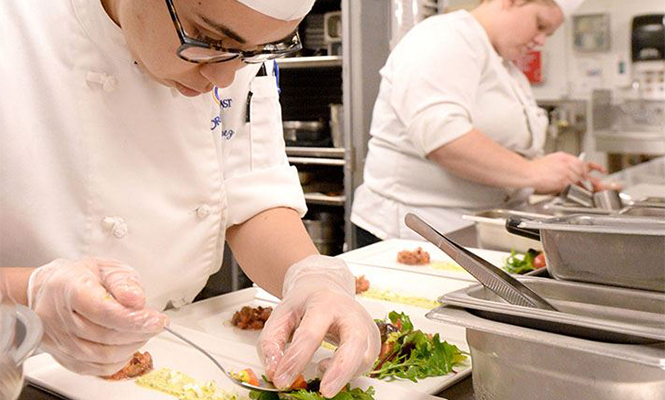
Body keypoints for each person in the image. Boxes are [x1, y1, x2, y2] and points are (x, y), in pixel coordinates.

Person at [0, 0, 380, 397]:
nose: (224, 78)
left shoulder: (236, 49)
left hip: (162, 358)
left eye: (255, 52)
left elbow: (251, 190)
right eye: (207, 38)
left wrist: (312, 279)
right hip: (20, 364)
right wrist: (23, 293)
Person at [352, 0, 606, 245]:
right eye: (540, 25)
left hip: (472, 231)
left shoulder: (509, 71)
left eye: (548, 34)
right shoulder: (443, 37)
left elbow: (509, 154)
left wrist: (559, 174)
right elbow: (442, 139)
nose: (541, 41)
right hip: (413, 233)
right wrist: (534, 173)